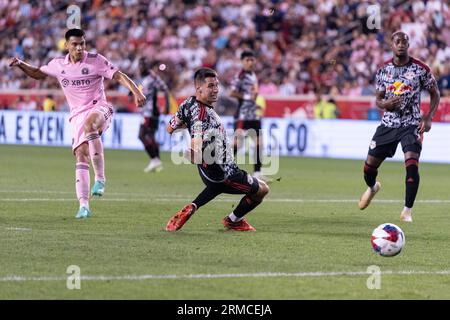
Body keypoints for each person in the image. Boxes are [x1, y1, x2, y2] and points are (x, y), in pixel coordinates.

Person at [9, 28, 146, 219]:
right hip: (76, 115)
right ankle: (84, 206)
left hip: (100, 108)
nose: (80, 48)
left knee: (91, 126)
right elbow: (39, 74)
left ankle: (100, 178)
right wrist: (20, 64)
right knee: (81, 156)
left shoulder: (96, 60)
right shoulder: (58, 65)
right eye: (75, 44)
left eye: (82, 43)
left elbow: (119, 75)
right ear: (66, 46)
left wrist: (136, 92)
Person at [165, 68, 269, 232]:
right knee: (262, 189)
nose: (216, 90)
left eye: (217, 85)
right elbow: (196, 143)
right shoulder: (202, 115)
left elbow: (170, 128)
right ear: (199, 89)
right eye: (211, 86)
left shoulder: (187, 104)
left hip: (209, 171)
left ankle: (194, 205)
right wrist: (194, 150)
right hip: (225, 172)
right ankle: (233, 220)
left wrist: (190, 131)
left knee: (216, 185)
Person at [358, 31, 440, 222]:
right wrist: (385, 105)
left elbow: (435, 93)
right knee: (369, 169)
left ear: (408, 45)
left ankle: (407, 211)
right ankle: (372, 187)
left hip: (411, 125)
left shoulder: (421, 69)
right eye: (397, 41)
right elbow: (378, 99)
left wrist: (428, 118)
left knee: (411, 164)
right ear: (392, 45)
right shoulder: (383, 70)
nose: (401, 44)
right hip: (388, 125)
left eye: (404, 41)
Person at [229, 50, 264, 179]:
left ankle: (258, 173)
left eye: (252, 60)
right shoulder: (240, 76)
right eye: (247, 60)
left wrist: (254, 103)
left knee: (260, 143)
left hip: (253, 114)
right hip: (242, 115)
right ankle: (225, 167)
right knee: (238, 144)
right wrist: (247, 97)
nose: (250, 62)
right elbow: (232, 92)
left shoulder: (253, 75)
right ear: (242, 61)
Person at [137, 58, 170, 173]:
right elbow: (139, 89)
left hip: (150, 112)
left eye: (142, 66)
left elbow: (165, 89)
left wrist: (167, 106)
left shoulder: (153, 77)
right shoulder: (142, 78)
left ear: (147, 67)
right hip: (146, 112)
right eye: (139, 66)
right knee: (150, 136)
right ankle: (157, 161)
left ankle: (154, 159)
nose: (140, 68)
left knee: (142, 135)